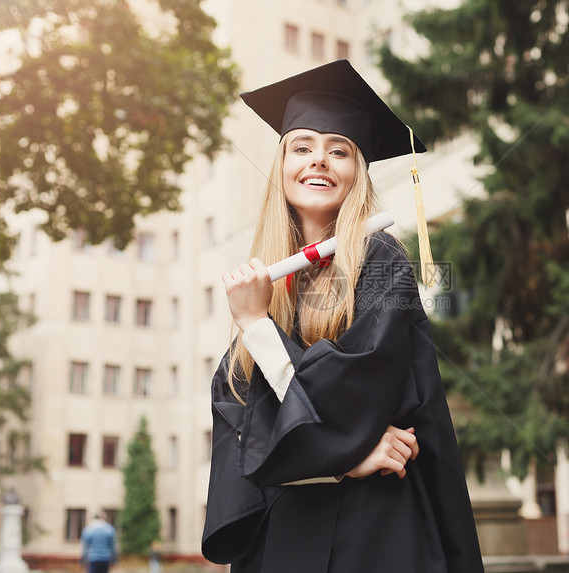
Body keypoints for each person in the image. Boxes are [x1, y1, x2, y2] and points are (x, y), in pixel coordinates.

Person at [201, 59, 483, 573]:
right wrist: (346, 457)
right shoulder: (269, 284)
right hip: (286, 534)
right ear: (282, 163)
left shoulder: (379, 262)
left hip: (374, 528)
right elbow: (240, 421)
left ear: (359, 170)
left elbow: (356, 396)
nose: (319, 161)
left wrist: (259, 328)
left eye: (340, 150)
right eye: (302, 146)